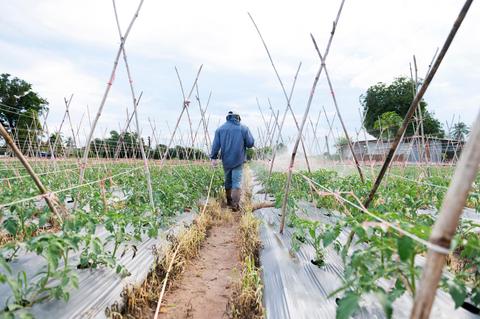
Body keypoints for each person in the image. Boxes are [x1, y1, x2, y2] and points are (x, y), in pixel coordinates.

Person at [210, 111, 255, 211]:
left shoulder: (220, 129)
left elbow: (215, 145)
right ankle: (235, 205)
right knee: (236, 182)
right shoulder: (244, 128)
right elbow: (250, 143)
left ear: (228, 117)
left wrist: (213, 158)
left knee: (228, 181)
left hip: (226, 160)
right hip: (238, 160)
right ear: (238, 117)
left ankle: (229, 201)